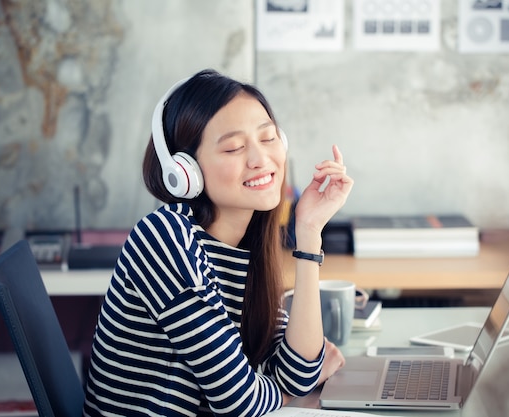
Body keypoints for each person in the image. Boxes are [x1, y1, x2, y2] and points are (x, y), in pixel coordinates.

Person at [83, 69, 354, 416]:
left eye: (269, 138)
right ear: (185, 172)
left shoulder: (246, 243)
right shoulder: (164, 240)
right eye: (234, 147)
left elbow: (299, 373)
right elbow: (239, 402)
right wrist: (284, 396)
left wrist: (309, 230)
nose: (260, 160)